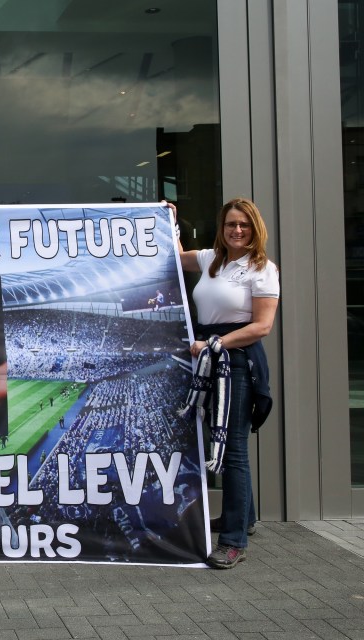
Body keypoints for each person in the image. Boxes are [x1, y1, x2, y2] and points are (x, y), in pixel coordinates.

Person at [169, 198, 279, 570]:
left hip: (236, 359)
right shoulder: (211, 260)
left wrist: (216, 344)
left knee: (232, 451)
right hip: (210, 356)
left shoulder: (261, 269)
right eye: (231, 224)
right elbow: (176, 256)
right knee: (220, 440)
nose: (237, 230)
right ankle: (243, 519)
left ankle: (234, 541)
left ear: (255, 229)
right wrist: (169, 219)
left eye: (244, 225)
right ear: (223, 227)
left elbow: (262, 327)